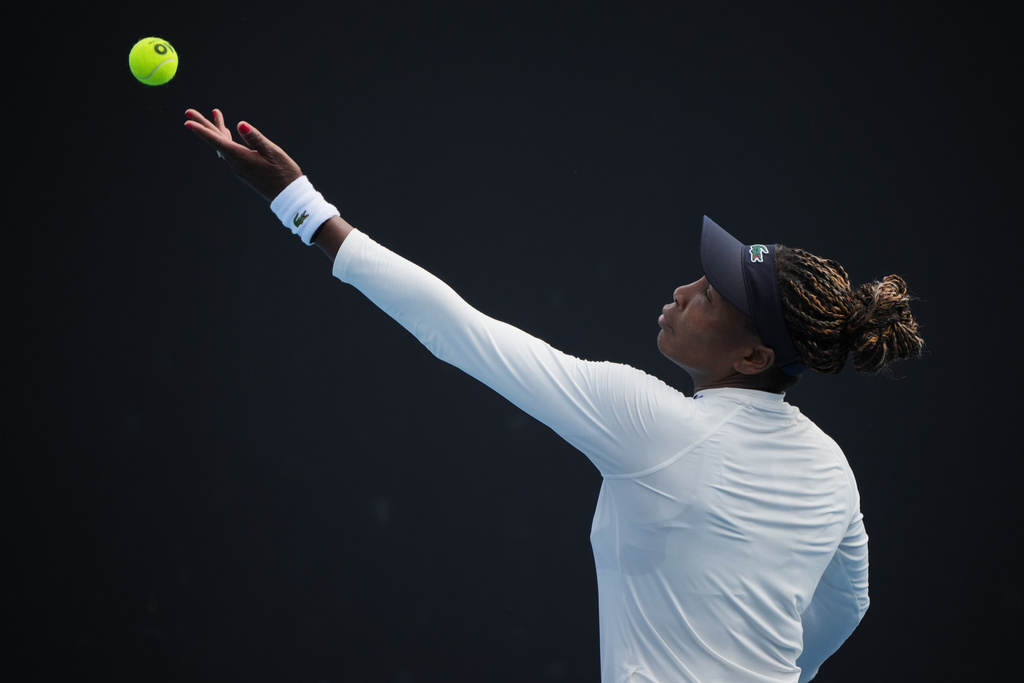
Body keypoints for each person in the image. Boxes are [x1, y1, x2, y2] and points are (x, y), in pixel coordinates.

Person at [183, 109, 924, 683]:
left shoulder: (652, 424)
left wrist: (302, 206)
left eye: (713, 296)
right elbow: (845, 606)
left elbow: (459, 330)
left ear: (756, 353)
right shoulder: (832, 469)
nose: (683, 290)